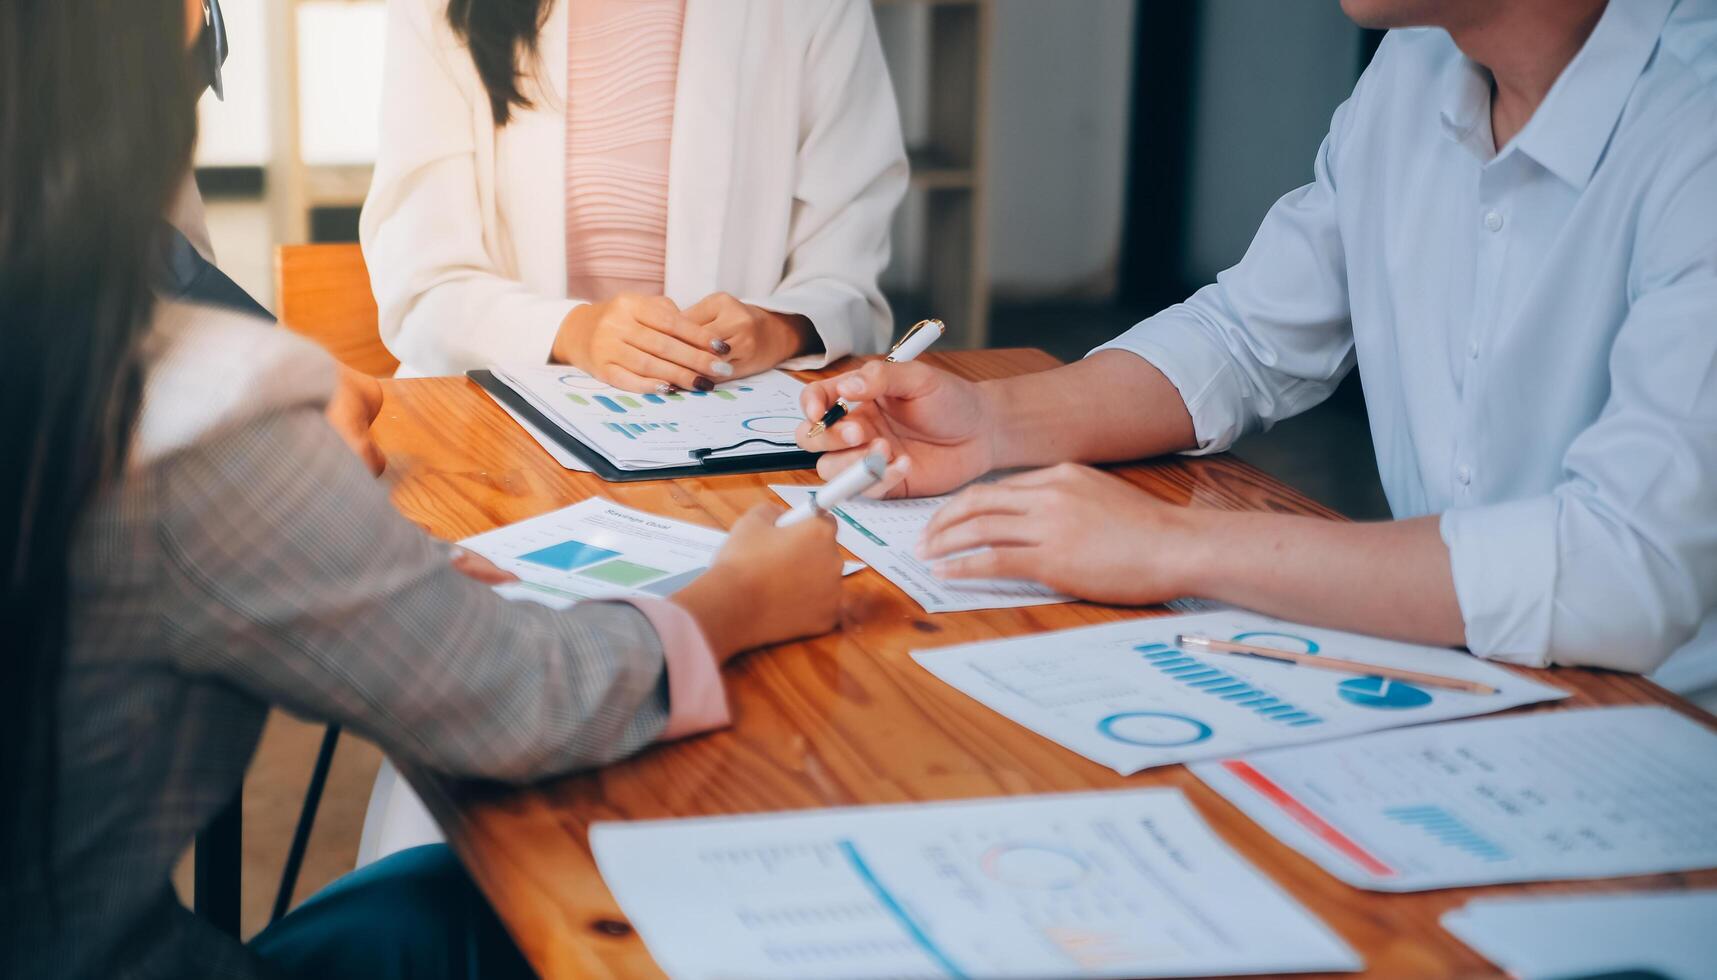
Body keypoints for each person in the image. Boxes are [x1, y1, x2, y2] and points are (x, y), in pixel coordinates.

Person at [0, 2, 843, 977]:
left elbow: (843, 261)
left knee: (421, 897)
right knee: (519, 896)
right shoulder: (202, 420)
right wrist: (739, 597)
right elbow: (524, 697)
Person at [798, 0, 1717, 692]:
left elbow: (1622, 568)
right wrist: (989, 424)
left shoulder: (1694, 123)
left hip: (1664, 751)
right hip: (1460, 687)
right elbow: (1247, 335)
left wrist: (1175, 546)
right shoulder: (1414, 67)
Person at [360, 0, 909, 390]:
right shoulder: (435, 9)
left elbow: (848, 282)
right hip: (497, 426)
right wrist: (576, 332)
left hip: (728, 419)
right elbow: (424, 290)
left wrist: (779, 327)